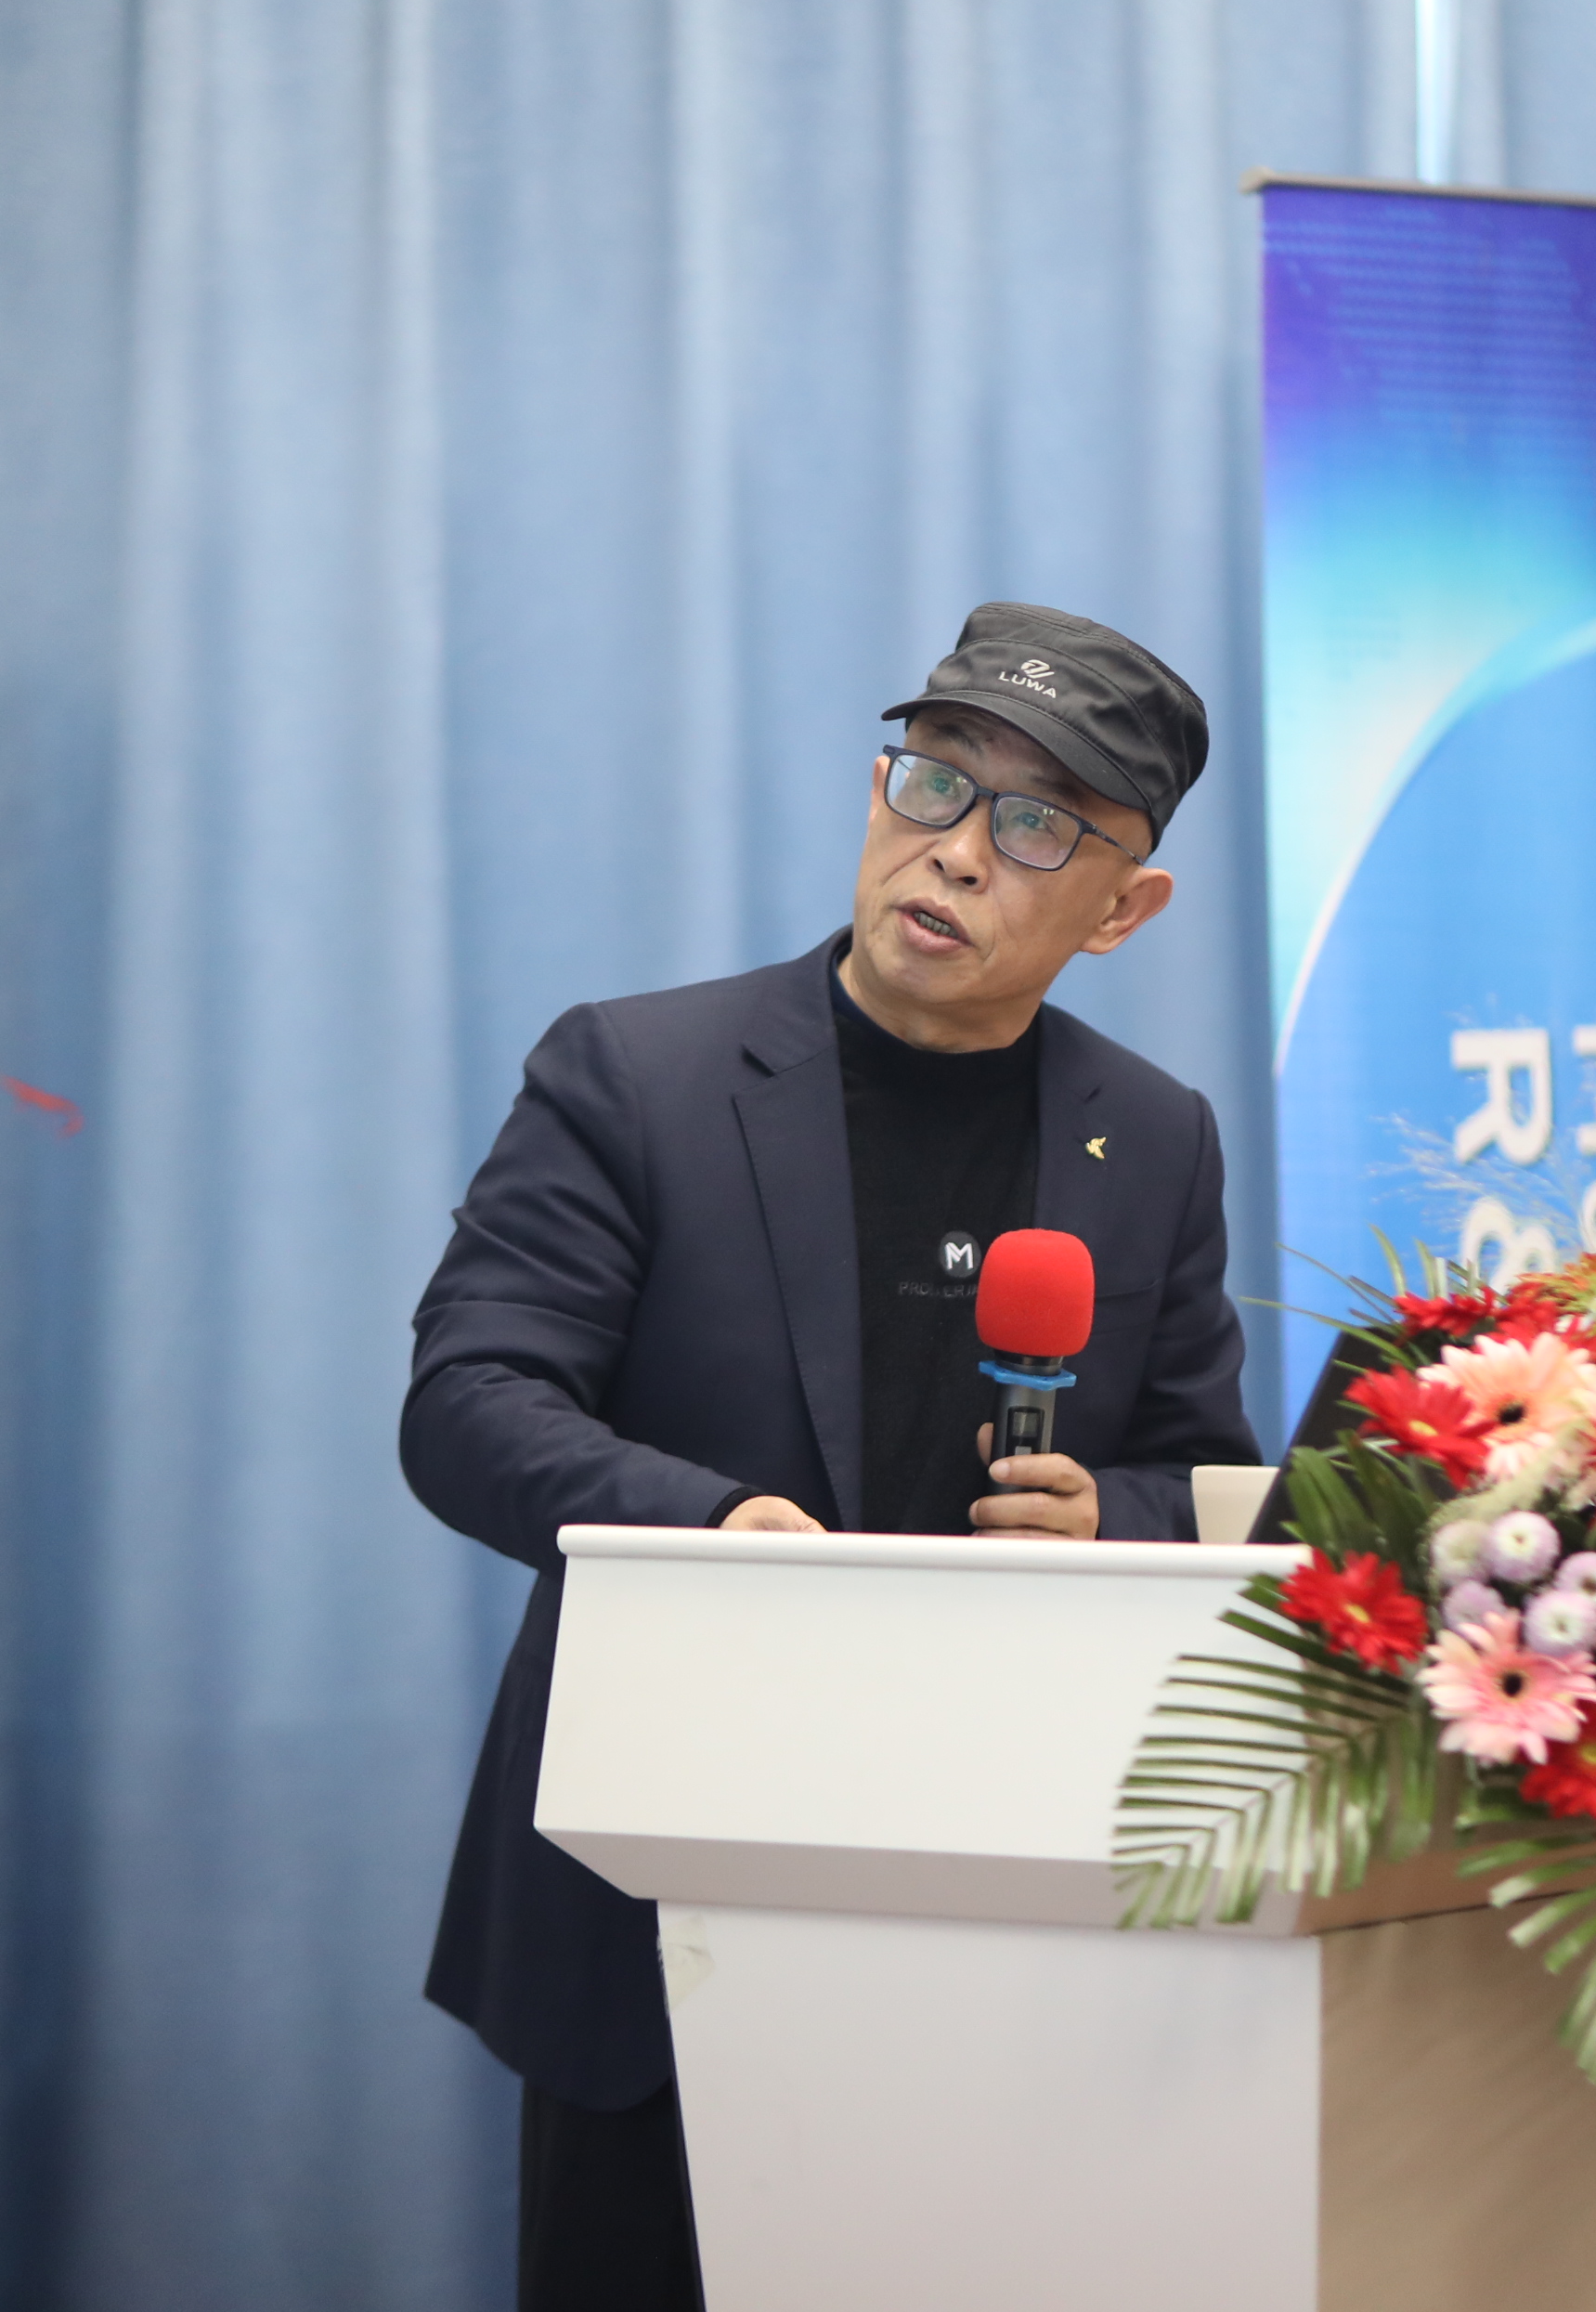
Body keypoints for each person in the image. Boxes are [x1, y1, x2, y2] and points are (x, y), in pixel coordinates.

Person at [400, 604, 1260, 2311]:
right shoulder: (637, 1074)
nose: (958, 849)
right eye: (935, 781)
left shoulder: (1153, 1139)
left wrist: (1110, 1516)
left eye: (1039, 825)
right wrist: (711, 1524)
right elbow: (472, 1403)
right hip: (665, 1886)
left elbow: (1204, 1476)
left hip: (1018, 1904)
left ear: (1124, 910)